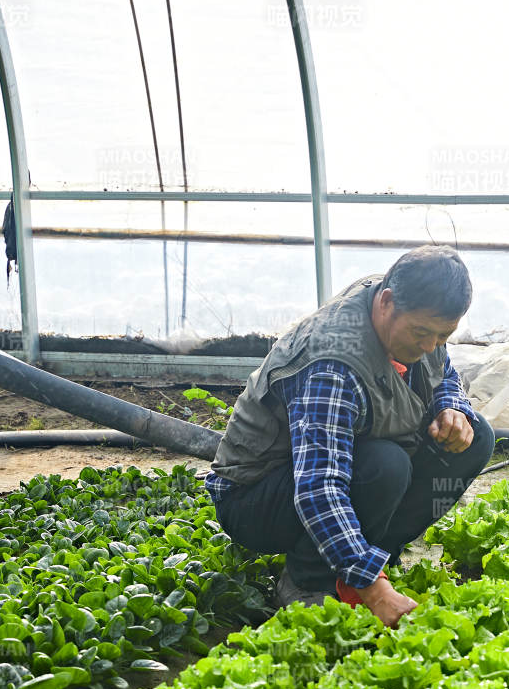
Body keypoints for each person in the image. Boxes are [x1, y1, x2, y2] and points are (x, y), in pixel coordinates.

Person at [205, 246, 493, 627]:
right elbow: (318, 486)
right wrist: (374, 592)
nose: (429, 346)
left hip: (319, 471)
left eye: (444, 335)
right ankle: (309, 579)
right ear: (386, 302)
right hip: (257, 497)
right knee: (385, 466)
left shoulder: (413, 318)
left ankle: (368, 557)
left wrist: (451, 406)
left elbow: (443, 371)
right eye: (422, 333)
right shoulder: (333, 366)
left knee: (475, 437)